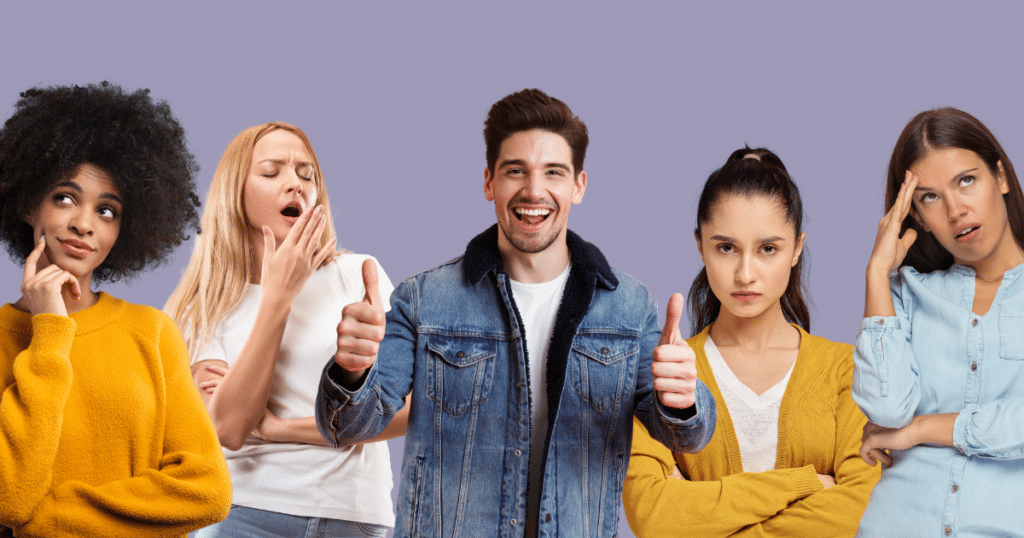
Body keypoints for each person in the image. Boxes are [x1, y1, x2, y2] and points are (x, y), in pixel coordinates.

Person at [316, 88, 716, 538]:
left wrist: (682, 400)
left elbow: (686, 439)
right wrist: (351, 371)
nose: (533, 190)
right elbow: (346, 427)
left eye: (554, 172)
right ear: (488, 181)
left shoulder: (628, 306)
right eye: (515, 171)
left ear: (578, 186)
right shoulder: (423, 300)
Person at [0, 82, 231, 537]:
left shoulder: (151, 331)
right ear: (29, 205)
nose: (84, 224)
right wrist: (49, 330)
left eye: (107, 211)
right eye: (65, 198)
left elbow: (208, 490)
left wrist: (53, 521)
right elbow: (11, 497)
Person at [165, 122, 407, 538]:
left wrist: (279, 428)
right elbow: (230, 427)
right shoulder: (202, 305)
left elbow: (408, 410)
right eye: (272, 171)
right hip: (242, 513)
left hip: (352, 516)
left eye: (306, 173)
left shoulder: (358, 275)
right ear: (234, 192)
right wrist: (278, 297)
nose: (294, 184)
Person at [622, 148, 879, 537]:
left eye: (768, 249)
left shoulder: (848, 369)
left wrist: (701, 507)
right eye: (726, 248)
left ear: (797, 248)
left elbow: (865, 510)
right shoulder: (665, 374)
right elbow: (654, 517)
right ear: (700, 245)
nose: (745, 274)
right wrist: (804, 484)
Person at [854, 107, 1024, 537]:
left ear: (1000, 178)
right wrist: (877, 274)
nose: (955, 210)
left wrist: (923, 429)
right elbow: (887, 409)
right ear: (916, 217)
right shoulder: (908, 293)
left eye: (966, 181)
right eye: (929, 197)